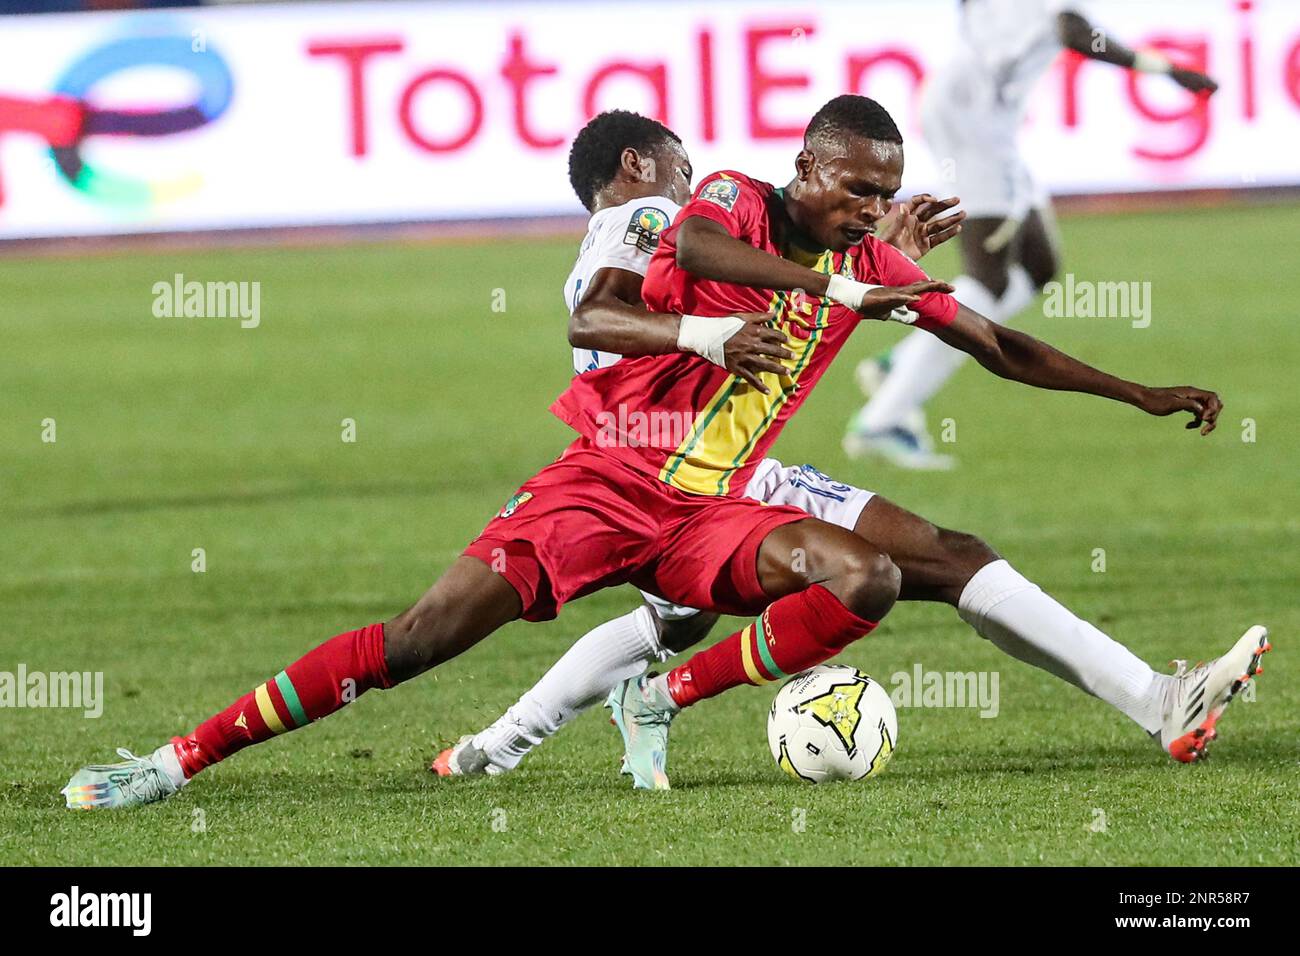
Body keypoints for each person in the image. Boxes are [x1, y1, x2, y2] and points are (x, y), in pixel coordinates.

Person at [62, 96, 1260, 810]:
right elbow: (641, 284)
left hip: (719, 499)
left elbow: (996, 344)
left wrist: (1136, 391)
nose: (869, 209)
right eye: (855, 191)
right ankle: (177, 761)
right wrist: (807, 289)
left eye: (881, 196)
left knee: (889, 570)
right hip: (603, 480)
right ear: (805, 174)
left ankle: (665, 691)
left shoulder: (860, 258)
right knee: (421, 639)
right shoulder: (716, 206)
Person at [434, 109, 962, 780]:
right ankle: (570, 723)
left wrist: (867, 253)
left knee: (678, 620)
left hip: (669, 448)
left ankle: (500, 744)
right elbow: (716, 290)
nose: (690, 191)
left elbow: (762, 286)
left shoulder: (617, 235)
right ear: (637, 166)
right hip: (667, 456)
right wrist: (858, 266)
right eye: (683, 172)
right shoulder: (646, 220)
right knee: (779, 589)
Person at [844, 0, 1219, 469]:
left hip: (977, 112)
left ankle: (901, 365)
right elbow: (1073, 30)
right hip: (975, 122)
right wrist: (1164, 70)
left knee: (1039, 264)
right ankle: (884, 419)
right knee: (991, 281)